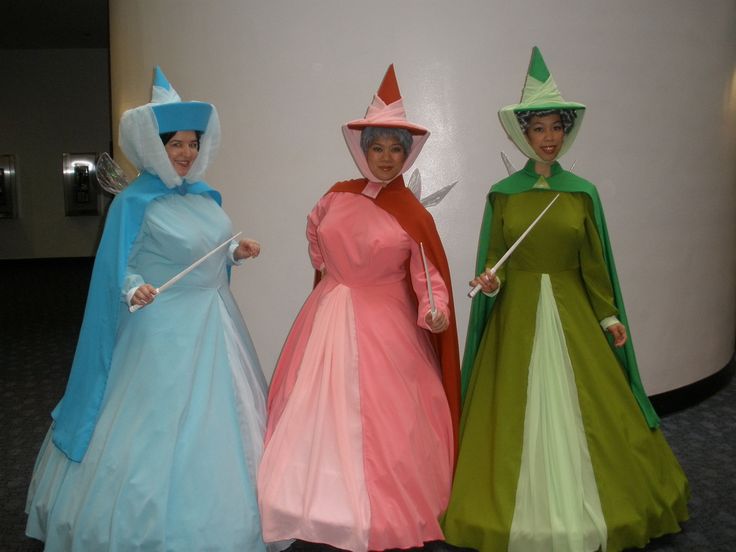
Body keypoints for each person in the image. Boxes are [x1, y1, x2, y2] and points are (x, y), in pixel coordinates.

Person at [442, 47, 689, 552]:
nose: (549, 138)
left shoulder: (582, 194)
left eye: (557, 128)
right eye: (540, 129)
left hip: (575, 314)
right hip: (517, 320)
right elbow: (496, 263)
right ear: (523, 134)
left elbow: (595, 266)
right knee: (511, 415)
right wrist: (491, 282)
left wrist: (608, 313)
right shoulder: (502, 195)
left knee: (600, 412)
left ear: (566, 132)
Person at [25, 67, 268, 551]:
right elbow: (121, 265)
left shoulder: (203, 196)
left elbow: (210, 247)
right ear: (154, 146)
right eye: (175, 144)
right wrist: (133, 288)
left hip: (216, 320)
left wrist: (233, 252)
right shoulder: (134, 202)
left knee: (227, 419)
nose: (185, 154)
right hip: (161, 330)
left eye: (192, 144)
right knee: (155, 427)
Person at [257, 65, 466, 552]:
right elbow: (316, 242)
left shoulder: (414, 213)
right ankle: (312, 505)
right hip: (328, 314)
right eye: (379, 147)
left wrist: (436, 314)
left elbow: (426, 275)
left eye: (397, 149)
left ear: (407, 153)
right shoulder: (335, 196)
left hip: (386, 324)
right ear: (363, 149)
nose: (388, 158)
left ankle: (381, 510)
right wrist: (336, 276)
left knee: (384, 421)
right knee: (316, 409)